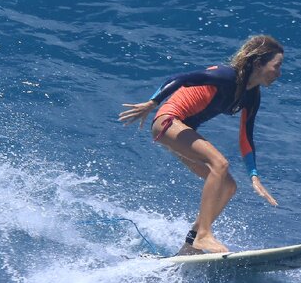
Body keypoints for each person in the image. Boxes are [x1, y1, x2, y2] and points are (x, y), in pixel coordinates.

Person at [119, 35, 284, 254]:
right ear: (258, 63)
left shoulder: (252, 95)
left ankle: (191, 243)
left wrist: (254, 176)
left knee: (229, 186)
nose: (279, 73)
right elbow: (180, 78)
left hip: (182, 130)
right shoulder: (227, 76)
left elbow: (246, 136)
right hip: (168, 121)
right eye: (276, 66)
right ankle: (204, 235)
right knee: (220, 164)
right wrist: (152, 102)